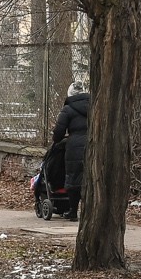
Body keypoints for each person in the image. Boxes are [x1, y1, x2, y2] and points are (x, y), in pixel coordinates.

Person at [51, 79, 91, 219]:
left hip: (74, 146)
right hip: (92, 144)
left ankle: (73, 211)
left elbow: (59, 132)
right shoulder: (93, 106)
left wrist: (56, 141)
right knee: (90, 177)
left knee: (73, 178)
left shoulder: (68, 109)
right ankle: (90, 212)